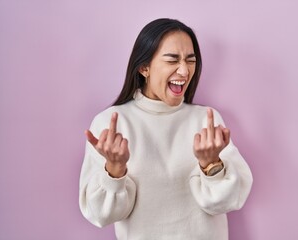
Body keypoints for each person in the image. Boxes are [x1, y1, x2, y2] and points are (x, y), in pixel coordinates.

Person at [79, 18, 253, 240]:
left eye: (190, 60)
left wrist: (212, 165)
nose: (184, 70)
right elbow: (100, 215)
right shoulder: (111, 125)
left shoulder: (206, 121)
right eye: (172, 60)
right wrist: (114, 170)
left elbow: (228, 201)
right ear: (144, 67)